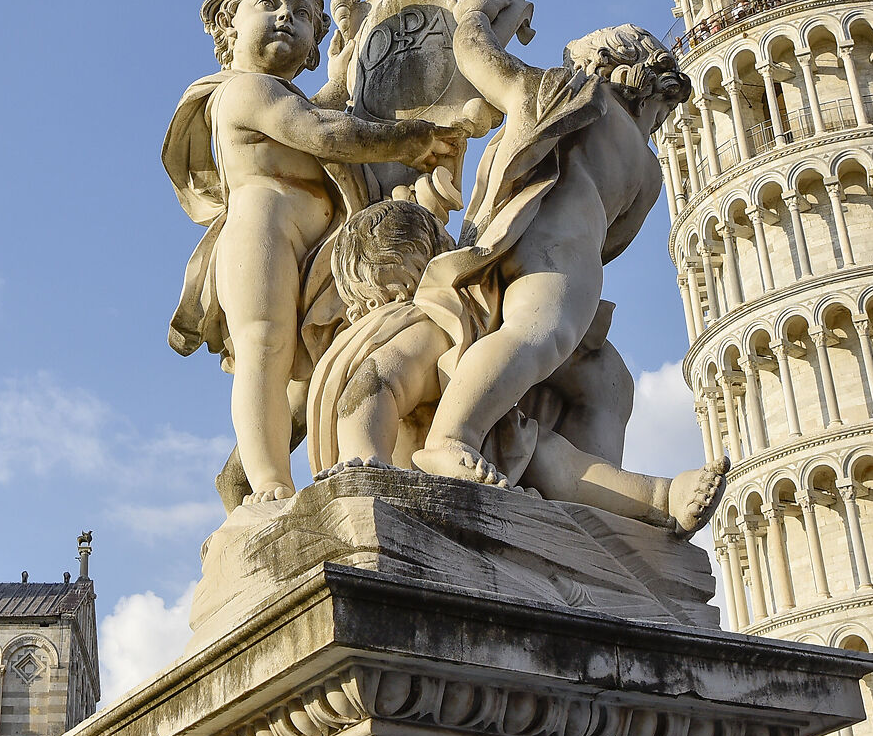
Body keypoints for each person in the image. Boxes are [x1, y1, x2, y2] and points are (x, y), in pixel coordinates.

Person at [164, 0, 464, 505]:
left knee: (307, 376)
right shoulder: (243, 92)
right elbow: (320, 130)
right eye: (270, 4)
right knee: (265, 347)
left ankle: (249, 477)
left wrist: (345, 70)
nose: (287, 18)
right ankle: (269, 483)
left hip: (318, 253)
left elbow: (318, 110)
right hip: (263, 232)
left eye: (302, 13)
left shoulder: (283, 95)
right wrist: (409, 142)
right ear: (229, 22)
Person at [409, 0, 694, 490]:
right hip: (566, 256)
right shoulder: (643, 163)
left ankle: (589, 490)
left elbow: (481, 61)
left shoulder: (559, 97)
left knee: (606, 379)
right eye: (663, 108)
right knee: (538, 336)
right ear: (646, 87)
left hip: (508, 236)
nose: (659, 120)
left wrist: (475, 15)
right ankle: (452, 437)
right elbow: (614, 240)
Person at [304, 198, 723, 535]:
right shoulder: (424, 326)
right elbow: (374, 385)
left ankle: (660, 498)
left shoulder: (447, 326)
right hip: (420, 470)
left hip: (491, 449)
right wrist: (365, 460)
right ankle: (658, 497)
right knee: (560, 464)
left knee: (555, 459)